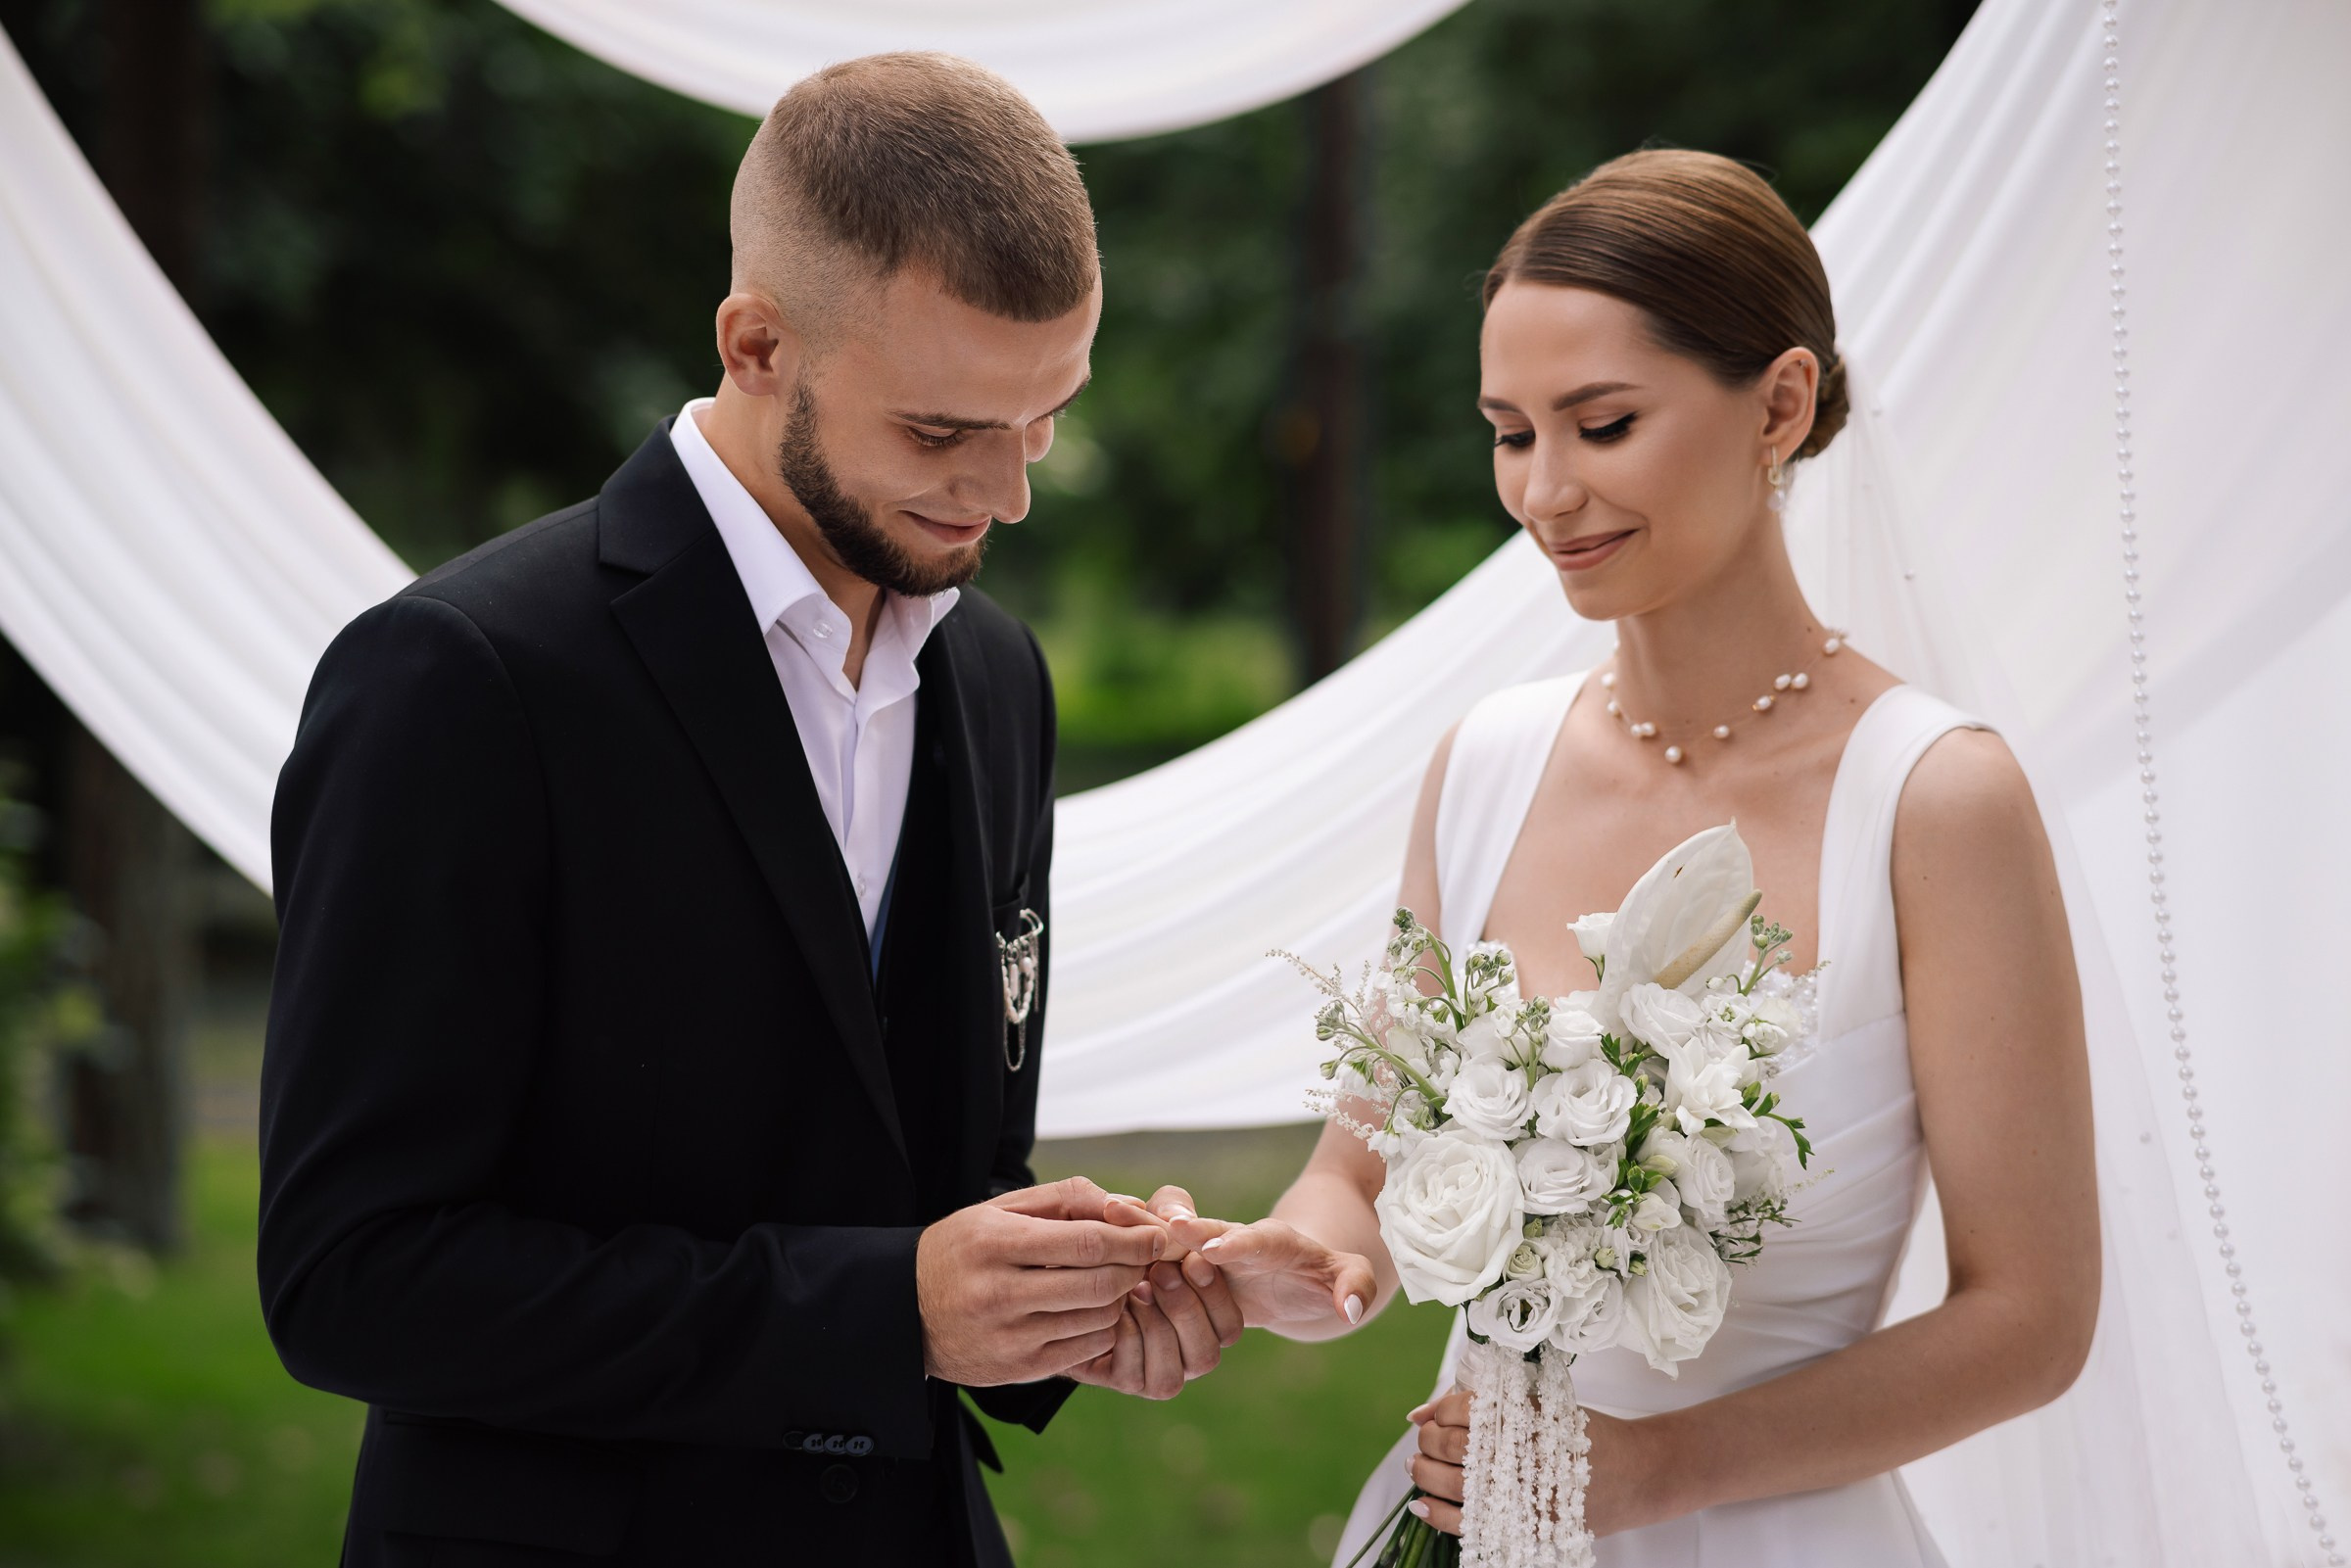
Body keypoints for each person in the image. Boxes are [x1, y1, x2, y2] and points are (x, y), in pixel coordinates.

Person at [257, 53, 1353, 1568]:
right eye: (942, 431)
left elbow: (920, 1172)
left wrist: (1075, 1294)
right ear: (757, 341)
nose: (1008, 495)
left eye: (1042, 420)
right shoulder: (464, 679)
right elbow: (351, 1276)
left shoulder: (995, 678)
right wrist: (887, 1307)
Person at [1141, 150, 2101, 1564]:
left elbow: (2031, 1317)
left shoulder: (1934, 800)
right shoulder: (1483, 767)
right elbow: (1352, 1167)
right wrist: (1321, 1250)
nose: (1546, 494)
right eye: (1511, 432)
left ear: (1778, 403)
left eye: (1602, 423)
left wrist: (1657, 1468)